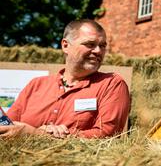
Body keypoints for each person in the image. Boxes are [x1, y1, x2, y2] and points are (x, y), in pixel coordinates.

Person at [0, 19, 130, 139]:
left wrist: (39, 135)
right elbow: (8, 127)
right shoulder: (36, 84)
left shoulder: (112, 84)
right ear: (65, 45)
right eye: (90, 44)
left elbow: (107, 134)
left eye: (102, 46)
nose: (98, 51)